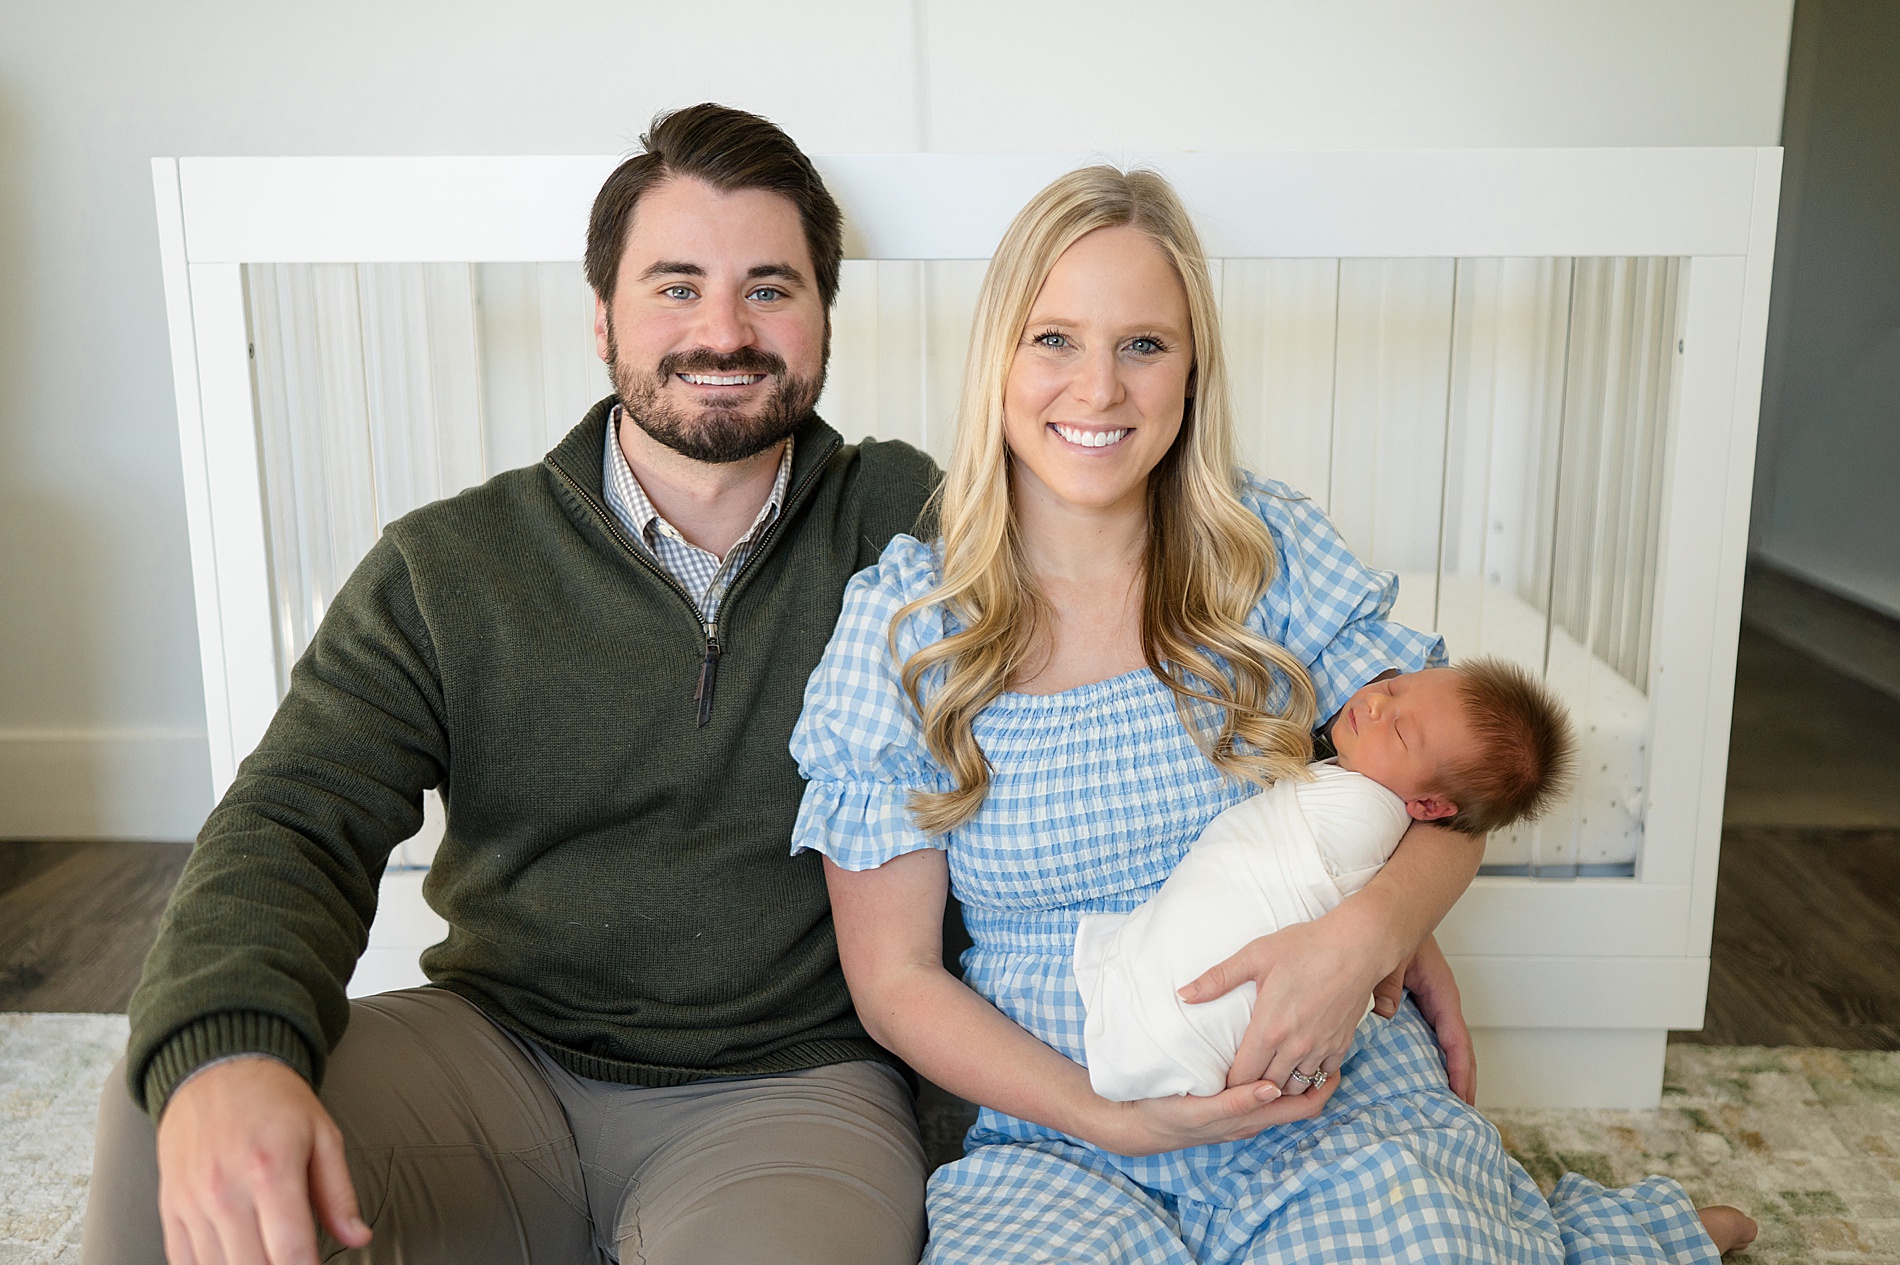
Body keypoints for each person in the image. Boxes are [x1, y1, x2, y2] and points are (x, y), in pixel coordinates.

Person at [789, 165, 1758, 1260]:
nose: (1098, 389)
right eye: (1053, 338)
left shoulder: (1269, 553)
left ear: (1193, 368)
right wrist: (1114, 1117)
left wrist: (1374, 932)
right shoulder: (908, 626)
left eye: (1144, 344)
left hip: (1323, 1090)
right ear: (997, 359)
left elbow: (1453, 792)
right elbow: (897, 980)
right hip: (1067, 1126)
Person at [82, 104, 945, 1265]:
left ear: (824, 316)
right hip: (496, 1056)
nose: (723, 330)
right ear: (601, 317)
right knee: (166, 1116)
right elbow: (294, 815)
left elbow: (1132, 613)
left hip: (789, 1092)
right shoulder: (449, 564)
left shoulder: (914, 525)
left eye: (769, 288)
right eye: (676, 286)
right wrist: (230, 1048)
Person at [1076, 660, 1573, 1103]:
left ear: (1428, 806)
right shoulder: (1369, 789)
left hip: (1205, 1027)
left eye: (1401, 732)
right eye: (1395, 687)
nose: (1375, 704)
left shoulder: (1360, 819)